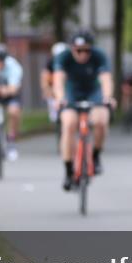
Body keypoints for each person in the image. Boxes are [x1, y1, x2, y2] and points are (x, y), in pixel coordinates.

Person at [53, 31, 114, 190]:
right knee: (69, 124)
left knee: (101, 120)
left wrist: (107, 97)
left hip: (93, 92)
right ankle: (68, 171)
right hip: (72, 92)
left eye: (86, 50)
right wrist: (59, 98)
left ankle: (95, 155)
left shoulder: (99, 56)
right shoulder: (63, 57)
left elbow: (106, 79)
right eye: (78, 50)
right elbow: (58, 80)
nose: (82, 54)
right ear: (72, 49)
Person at [41, 42, 68, 123]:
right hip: (53, 88)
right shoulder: (50, 63)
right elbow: (44, 78)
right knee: (54, 111)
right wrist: (46, 90)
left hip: (66, 88)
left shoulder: (69, 63)